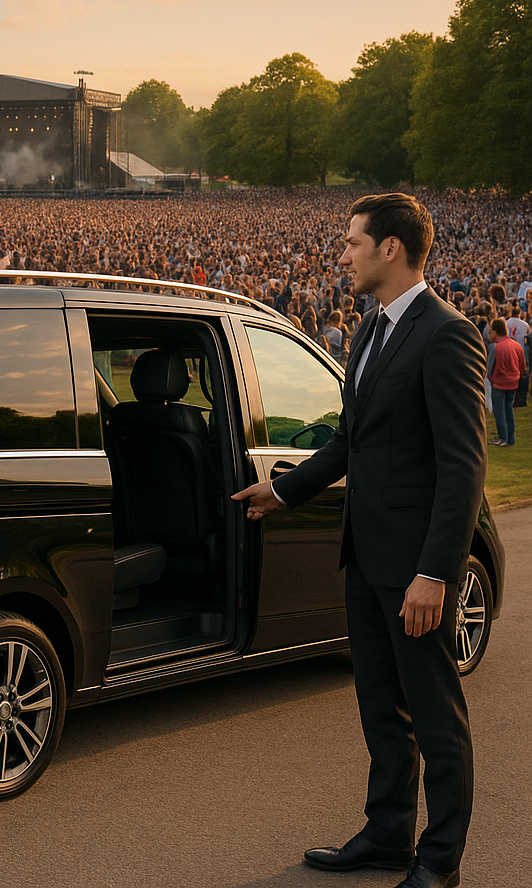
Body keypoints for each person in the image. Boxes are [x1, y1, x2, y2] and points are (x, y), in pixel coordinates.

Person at [232, 193, 487, 888]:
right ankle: (387, 834)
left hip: (414, 569)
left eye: (351, 243)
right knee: (381, 707)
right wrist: (282, 489)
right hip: (364, 557)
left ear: (390, 249)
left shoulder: (447, 334)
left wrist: (437, 572)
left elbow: (464, 466)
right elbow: (351, 442)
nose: (341, 254)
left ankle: (439, 861)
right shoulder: (372, 331)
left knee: (436, 718)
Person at [487, 317, 525, 445]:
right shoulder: (516, 345)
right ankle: (510, 438)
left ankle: (503, 437)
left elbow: (490, 367)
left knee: (499, 411)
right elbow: (522, 365)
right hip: (513, 382)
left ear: (495, 332)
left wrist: (491, 379)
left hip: (499, 383)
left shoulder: (496, 347)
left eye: (490, 331)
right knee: (509, 409)